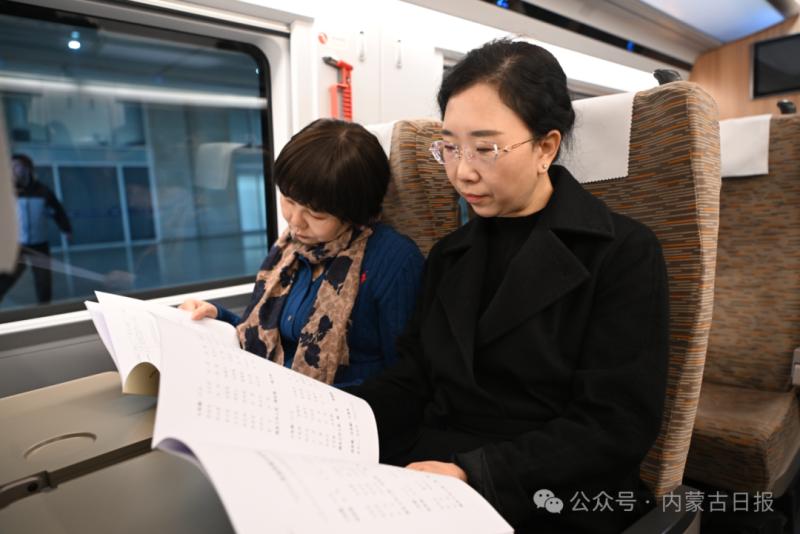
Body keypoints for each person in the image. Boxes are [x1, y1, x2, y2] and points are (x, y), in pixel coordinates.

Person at [347, 39, 669, 533]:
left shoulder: (622, 252)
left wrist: (475, 474)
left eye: (485, 148)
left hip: (548, 489)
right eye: (450, 147)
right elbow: (414, 378)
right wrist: (340, 419)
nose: (462, 172)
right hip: (433, 467)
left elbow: (614, 424)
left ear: (546, 147)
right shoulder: (450, 254)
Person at [182, 119, 424, 388]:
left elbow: (403, 380)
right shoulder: (289, 249)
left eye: (316, 214)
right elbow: (270, 338)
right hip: (271, 389)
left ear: (355, 212)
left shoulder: (395, 261)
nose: (295, 222)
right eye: (288, 200)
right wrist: (218, 317)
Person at [0, 154, 71, 305]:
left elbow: (57, 211)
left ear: (27, 169)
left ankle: (45, 310)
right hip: (18, 247)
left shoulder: (43, 192)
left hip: (40, 246)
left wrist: (66, 229)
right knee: (5, 279)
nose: (13, 170)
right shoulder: (7, 192)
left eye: (17, 166)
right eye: (11, 167)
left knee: (44, 283)